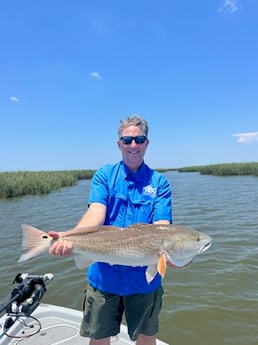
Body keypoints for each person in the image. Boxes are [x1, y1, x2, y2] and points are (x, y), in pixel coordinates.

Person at [49, 114, 174, 345]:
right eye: (127, 140)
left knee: (147, 337)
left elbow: (162, 227)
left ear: (147, 143)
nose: (133, 145)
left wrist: (176, 252)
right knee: (99, 338)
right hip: (104, 278)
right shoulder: (104, 175)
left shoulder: (160, 183)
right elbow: (96, 213)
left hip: (144, 282)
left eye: (139, 140)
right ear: (119, 144)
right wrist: (68, 237)